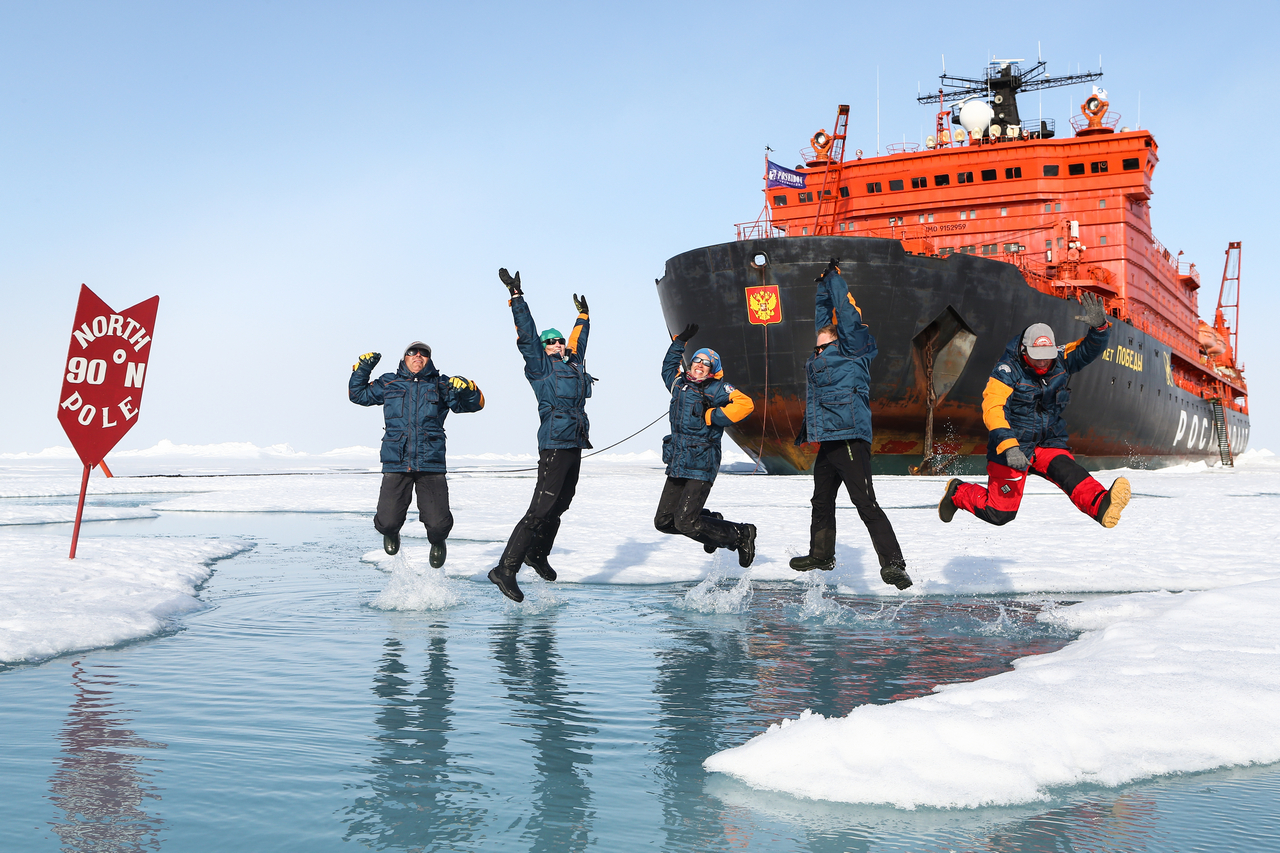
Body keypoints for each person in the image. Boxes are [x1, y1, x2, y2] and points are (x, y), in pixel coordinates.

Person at [937, 292, 1131, 528]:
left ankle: (1101, 504)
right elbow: (993, 408)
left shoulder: (1060, 358)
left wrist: (1100, 328)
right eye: (1036, 357)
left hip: (1047, 441)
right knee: (1000, 513)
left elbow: (1087, 350)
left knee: (1068, 471)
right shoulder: (1007, 371)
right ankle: (957, 492)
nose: (1042, 363)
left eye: (1046, 358)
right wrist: (1009, 447)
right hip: (1012, 447)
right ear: (1023, 351)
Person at [789, 259, 912, 589]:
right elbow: (823, 316)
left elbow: (843, 315)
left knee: (865, 503)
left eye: (826, 333)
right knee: (821, 500)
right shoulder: (821, 353)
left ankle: (894, 565)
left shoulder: (852, 348)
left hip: (850, 437)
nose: (820, 333)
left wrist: (835, 280)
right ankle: (822, 554)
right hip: (828, 439)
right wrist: (820, 287)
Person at [489, 268, 594, 603]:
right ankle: (505, 569)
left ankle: (537, 554)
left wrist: (583, 317)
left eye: (558, 340)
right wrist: (517, 298)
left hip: (574, 443)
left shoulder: (573, 364)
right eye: (550, 342)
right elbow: (528, 336)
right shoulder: (541, 366)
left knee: (561, 504)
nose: (555, 344)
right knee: (540, 509)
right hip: (554, 443)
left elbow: (579, 342)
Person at [349, 342, 484, 566]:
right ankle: (392, 533)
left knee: (438, 524)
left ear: (429, 359)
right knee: (387, 521)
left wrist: (468, 387)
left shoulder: (442, 384)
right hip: (396, 460)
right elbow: (358, 394)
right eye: (413, 352)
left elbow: (474, 405)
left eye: (424, 353)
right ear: (405, 358)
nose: (418, 356)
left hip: (431, 461)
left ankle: (438, 541)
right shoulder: (389, 382)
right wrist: (362, 369)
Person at [654, 323, 757, 565]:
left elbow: (746, 404)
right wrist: (681, 342)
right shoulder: (678, 384)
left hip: (701, 463)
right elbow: (667, 367)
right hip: (678, 461)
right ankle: (713, 521)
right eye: (697, 360)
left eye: (706, 363)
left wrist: (712, 416)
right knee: (664, 522)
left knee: (685, 522)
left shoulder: (717, 389)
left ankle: (740, 534)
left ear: (713, 369)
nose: (699, 365)